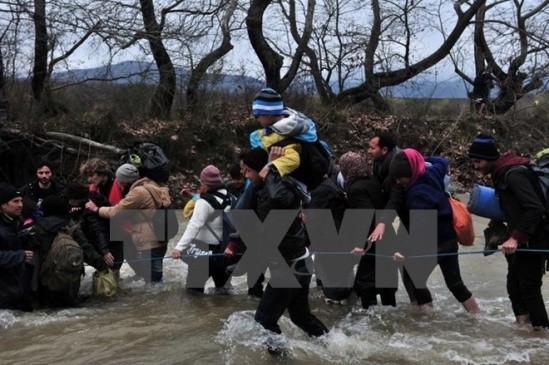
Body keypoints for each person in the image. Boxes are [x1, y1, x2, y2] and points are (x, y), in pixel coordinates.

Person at [233, 147, 329, 350]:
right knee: (301, 317)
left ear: (261, 171)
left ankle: (282, 359)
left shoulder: (279, 189)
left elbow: (274, 203)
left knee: (263, 321)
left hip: (291, 267)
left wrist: (271, 169)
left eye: (248, 170)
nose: (245, 175)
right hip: (297, 263)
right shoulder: (268, 189)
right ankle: (332, 345)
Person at [468, 134, 549, 329]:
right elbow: (512, 208)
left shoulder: (513, 174)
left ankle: (542, 337)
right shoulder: (502, 173)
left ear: (489, 159)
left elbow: (534, 208)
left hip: (534, 239)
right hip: (524, 240)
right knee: (514, 286)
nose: (475, 166)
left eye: (477, 161)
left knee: (529, 289)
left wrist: (515, 238)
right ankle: (523, 327)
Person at [389, 148, 480, 314]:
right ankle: (477, 314)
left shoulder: (417, 193)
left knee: (415, 278)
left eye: (400, 178)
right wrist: (421, 158)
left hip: (433, 243)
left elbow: (420, 228)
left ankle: (427, 318)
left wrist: (403, 250)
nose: (398, 182)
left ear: (410, 174)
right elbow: (442, 161)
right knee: (455, 283)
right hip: (449, 239)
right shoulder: (431, 171)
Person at [86, 163, 172, 283]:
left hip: (149, 243)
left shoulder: (138, 193)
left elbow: (116, 212)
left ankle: (159, 300)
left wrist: (97, 209)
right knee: (153, 277)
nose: (119, 185)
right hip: (159, 238)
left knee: (154, 282)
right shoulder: (152, 185)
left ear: (128, 181)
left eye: (121, 182)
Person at [367, 130, 417, 303]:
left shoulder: (396, 166)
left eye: (372, 148)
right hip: (401, 217)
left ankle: (420, 307)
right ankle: (416, 304)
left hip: (413, 217)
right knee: (402, 263)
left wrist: (382, 222)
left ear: (385, 149)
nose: (369, 151)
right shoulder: (378, 163)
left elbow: (396, 197)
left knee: (408, 265)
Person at [32, 195, 109, 307]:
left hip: (47, 281)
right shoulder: (70, 224)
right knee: (70, 306)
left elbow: (36, 257)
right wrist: (102, 265)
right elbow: (86, 248)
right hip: (70, 278)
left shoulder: (39, 228)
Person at [340, 152, 392, 309]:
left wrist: (360, 244)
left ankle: (367, 316)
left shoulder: (356, 188)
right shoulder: (373, 179)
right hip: (387, 235)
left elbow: (366, 215)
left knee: (364, 282)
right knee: (386, 280)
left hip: (372, 240)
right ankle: (391, 311)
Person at [171, 165, 233, 293]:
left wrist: (179, 248)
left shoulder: (204, 202)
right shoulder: (230, 197)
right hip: (224, 252)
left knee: (193, 294)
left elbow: (194, 225)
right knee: (223, 292)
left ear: (204, 183)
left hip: (204, 253)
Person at [249, 87, 320, 181]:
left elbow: (293, 159)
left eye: (257, 115)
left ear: (269, 113)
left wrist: (270, 166)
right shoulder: (294, 123)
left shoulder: (283, 136)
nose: (257, 119)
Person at [308, 162, 349, 304]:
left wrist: (304, 243)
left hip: (331, 244)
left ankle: (335, 311)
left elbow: (312, 221)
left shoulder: (321, 191)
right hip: (334, 243)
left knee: (334, 290)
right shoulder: (326, 187)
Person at [65, 182, 118, 270]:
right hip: (109, 239)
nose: (70, 202)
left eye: (72, 199)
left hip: (110, 242)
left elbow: (98, 229)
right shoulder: (88, 201)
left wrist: (105, 251)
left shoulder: (88, 208)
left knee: (110, 269)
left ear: (78, 198)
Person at [0, 183, 34, 311]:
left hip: (17, 291)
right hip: (5, 297)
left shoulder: (13, 222)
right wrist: (20, 256)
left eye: (21, 201)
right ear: (3, 204)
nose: (20, 205)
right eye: (15, 201)